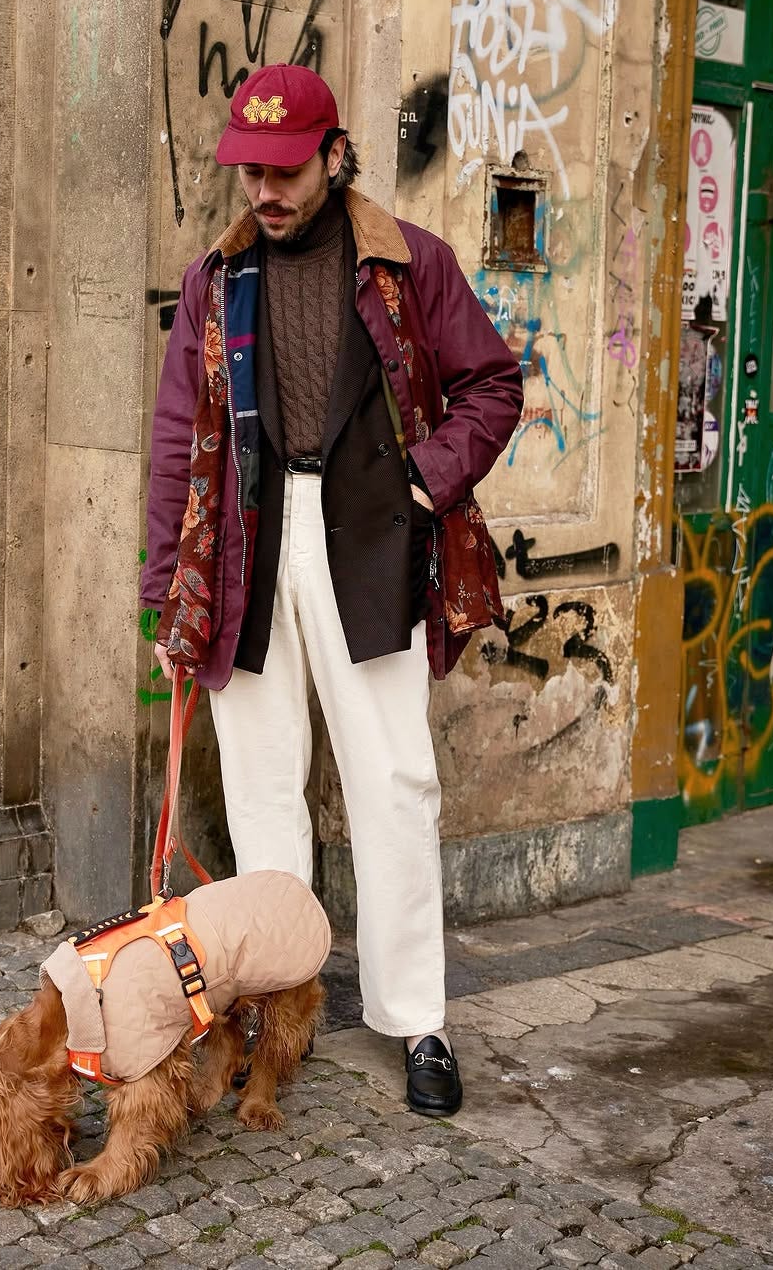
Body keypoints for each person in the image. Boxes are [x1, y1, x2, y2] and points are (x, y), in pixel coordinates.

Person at [141, 63, 523, 1116]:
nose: (265, 192)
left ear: (335, 156)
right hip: (245, 548)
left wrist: (424, 479)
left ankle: (418, 1019)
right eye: (250, 172)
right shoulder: (216, 282)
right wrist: (166, 590)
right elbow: (177, 440)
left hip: (372, 540)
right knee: (262, 789)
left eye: (285, 170)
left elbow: (494, 384)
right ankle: (279, 1011)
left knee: (393, 783)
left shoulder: (408, 261)